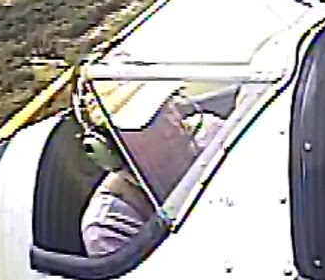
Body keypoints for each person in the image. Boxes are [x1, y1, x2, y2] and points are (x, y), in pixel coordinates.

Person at [80, 88, 228, 258]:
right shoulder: (109, 226)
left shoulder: (212, 134)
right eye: (152, 123)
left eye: (169, 108)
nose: (173, 124)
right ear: (109, 148)